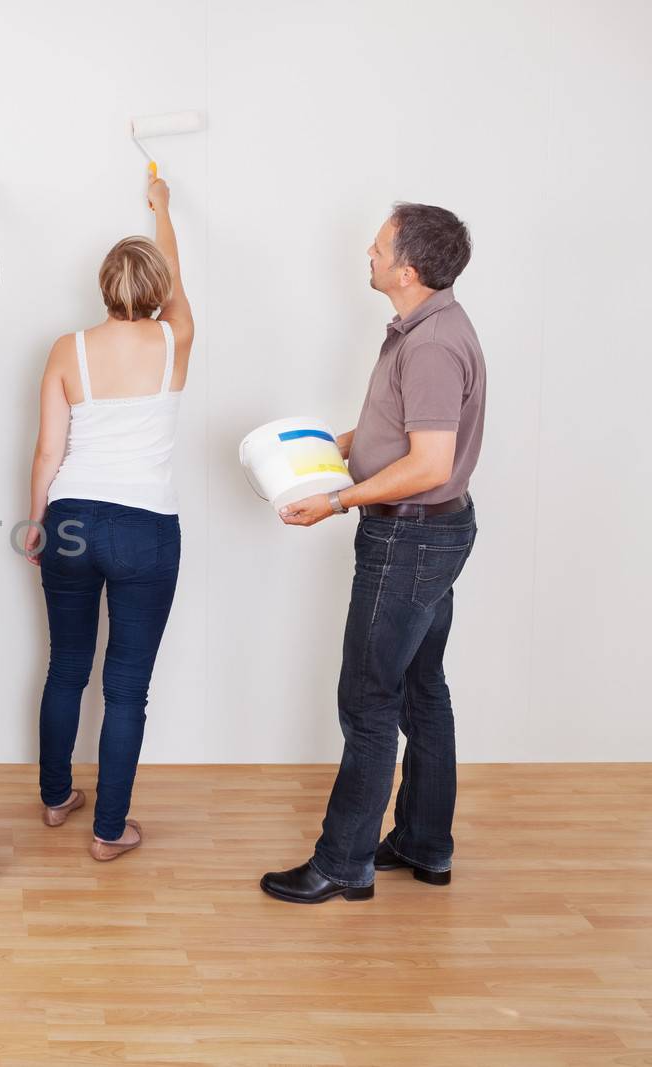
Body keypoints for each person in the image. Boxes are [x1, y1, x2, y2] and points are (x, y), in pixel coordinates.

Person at [261, 203, 483, 903]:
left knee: (369, 699)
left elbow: (429, 463)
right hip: (430, 533)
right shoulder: (424, 326)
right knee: (421, 689)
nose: (369, 249)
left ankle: (342, 862)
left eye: (380, 245)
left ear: (408, 270)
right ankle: (423, 842)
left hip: (410, 536)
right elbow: (404, 426)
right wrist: (341, 447)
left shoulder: (434, 344)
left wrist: (335, 500)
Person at [24, 174, 194, 862]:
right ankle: (108, 830)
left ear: (102, 285)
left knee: (66, 666)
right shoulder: (175, 339)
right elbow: (176, 287)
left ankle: (57, 796)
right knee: (125, 686)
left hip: (69, 515)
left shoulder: (67, 349)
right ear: (155, 290)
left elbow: (46, 450)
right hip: (144, 526)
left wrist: (36, 522)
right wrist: (163, 211)